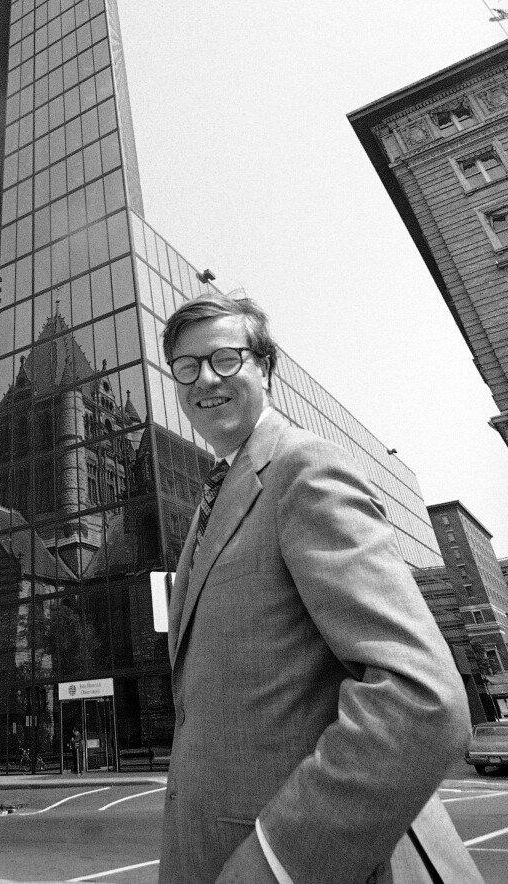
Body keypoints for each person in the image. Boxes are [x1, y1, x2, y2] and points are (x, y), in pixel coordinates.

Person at [159, 293, 483, 884]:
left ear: (264, 368)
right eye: (186, 366)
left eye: (225, 358)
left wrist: (278, 863)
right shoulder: (217, 498)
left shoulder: (304, 469)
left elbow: (420, 697)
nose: (205, 377)